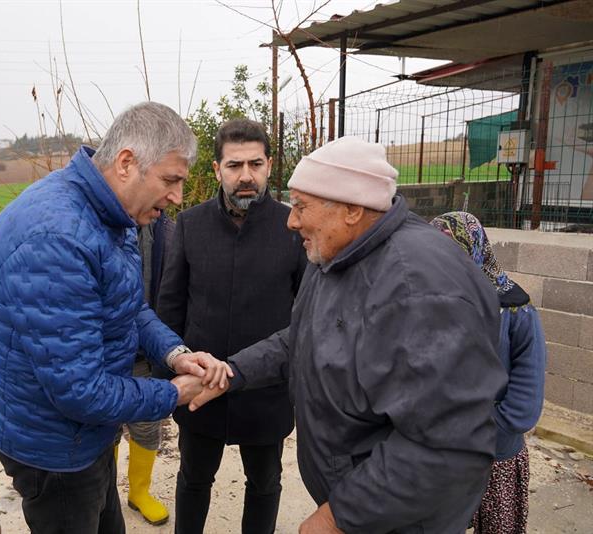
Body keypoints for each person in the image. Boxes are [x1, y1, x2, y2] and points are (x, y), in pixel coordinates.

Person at [190, 136, 508, 534]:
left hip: (398, 520)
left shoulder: (418, 287)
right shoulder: (338, 253)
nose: (291, 221)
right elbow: (303, 338)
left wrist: (339, 515)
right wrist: (232, 372)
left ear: (353, 210)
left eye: (301, 206)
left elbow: (446, 441)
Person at [0, 102, 230, 534]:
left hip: (87, 436)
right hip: (57, 453)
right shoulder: (57, 238)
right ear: (127, 163)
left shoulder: (107, 213)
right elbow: (80, 390)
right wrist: (173, 393)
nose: (177, 197)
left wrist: (175, 354)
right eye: (171, 180)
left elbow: (127, 305)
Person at [156, 118, 307, 534]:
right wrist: (171, 376)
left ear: (269, 165)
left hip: (266, 390)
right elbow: (170, 305)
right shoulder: (190, 225)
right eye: (235, 165)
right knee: (193, 479)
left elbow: (307, 314)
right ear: (217, 169)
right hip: (200, 385)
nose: (246, 176)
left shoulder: (293, 227)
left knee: (265, 483)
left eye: (255, 164)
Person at [430, 211, 546, 534]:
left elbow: (525, 401)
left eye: (453, 249)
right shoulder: (434, 305)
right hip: (445, 455)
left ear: (475, 248)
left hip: (496, 456)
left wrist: (477, 430)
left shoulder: (517, 311)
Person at [114, 211, 176, 526]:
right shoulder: (100, 227)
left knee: (148, 425)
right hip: (104, 352)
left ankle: (139, 492)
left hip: (147, 349)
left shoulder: (166, 231)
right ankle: (107, 493)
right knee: (105, 428)